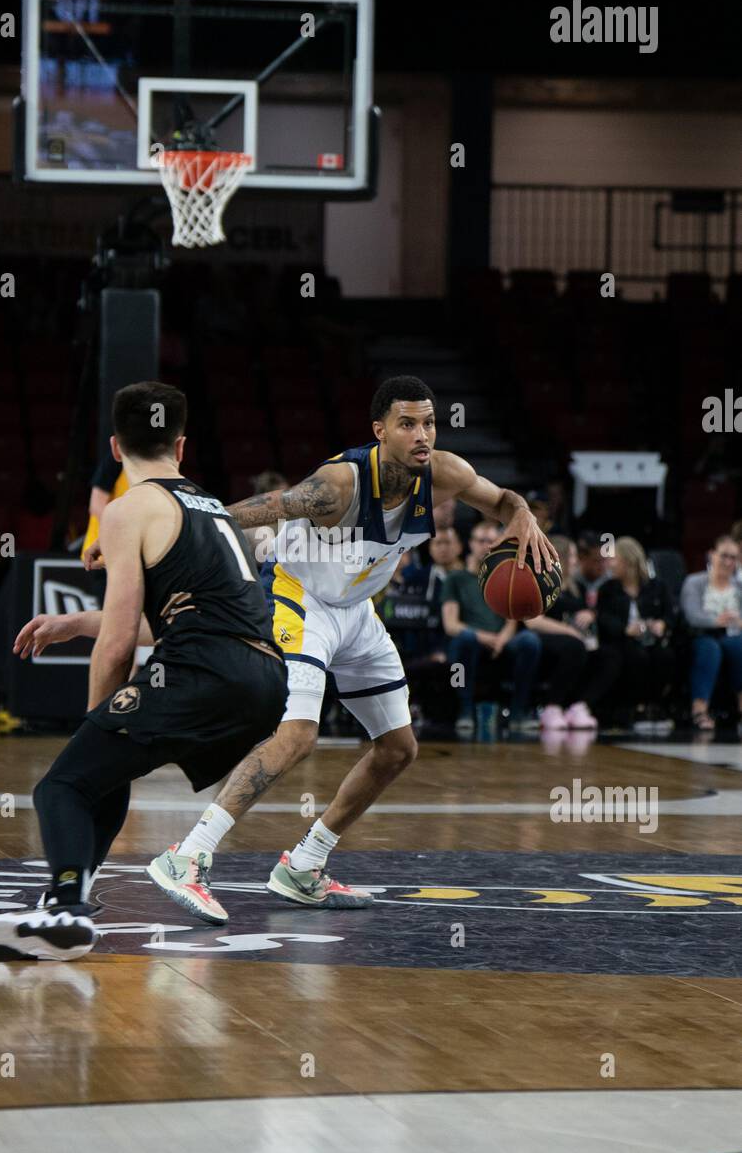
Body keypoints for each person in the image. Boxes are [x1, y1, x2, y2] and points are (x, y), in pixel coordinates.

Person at [80, 374, 554, 913]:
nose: (423, 435)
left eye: (429, 423)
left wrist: (522, 517)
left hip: (356, 610)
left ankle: (305, 864)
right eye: (407, 424)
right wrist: (135, 536)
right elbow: (244, 512)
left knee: (398, 748)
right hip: (300, 596)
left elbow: (504, 500)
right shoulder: (338, 485)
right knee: (299, 735)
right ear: (380, 431)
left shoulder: (446, 473)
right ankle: (186, 857)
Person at [0, 382, 288, 960]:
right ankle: (70, 896)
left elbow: (118, 647)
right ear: (181, 447)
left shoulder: (126, 509)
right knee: (105, 772)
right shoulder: (212, 506)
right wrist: (79, 622)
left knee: (62, 784)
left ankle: (64, 909)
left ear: (115, 449)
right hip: (263, 680)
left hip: (203, 671)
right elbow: (186, 617)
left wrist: (93, 719)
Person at [441, 521, 542, 733]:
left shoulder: (507, 577)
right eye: (481, 541)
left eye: (491, 541)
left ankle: (518, 713)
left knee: (530, 641)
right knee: (464, 640)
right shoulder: (456, 578)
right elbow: (451, 625)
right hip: (471, 639)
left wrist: (502, 639)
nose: (486, 546)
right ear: (470, 543)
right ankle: (465, 711)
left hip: (502, 641)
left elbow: (512, 618)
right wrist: (486, 637)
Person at [525, 534, 620, 730]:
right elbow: (533, 622)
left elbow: (583, 611)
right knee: (574, 647)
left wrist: (590, 614)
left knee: (609, 655)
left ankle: (580, 706)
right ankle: (552, 707)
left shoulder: (574, 585)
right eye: (572, 556)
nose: (576, 561)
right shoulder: (539, 582)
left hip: (574, 638)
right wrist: (568, 631)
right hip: (543, 637)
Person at [597, 536, 675, 730]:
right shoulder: (608, 589)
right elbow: (603, 618)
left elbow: (671, 615)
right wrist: (625, 629)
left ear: (628, 561)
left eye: (614, 558)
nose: (610, 563)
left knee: (664, 656)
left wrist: (662, 625)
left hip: (652, 639)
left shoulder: (657, 586)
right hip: (622, 639)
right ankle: (634, 708)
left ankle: (654, 706)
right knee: (635, 656)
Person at [680, 534, 742, 732]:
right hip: (702, 635)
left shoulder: (739, 587)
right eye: (724, 556)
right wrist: (717, 620)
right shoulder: (695, 582)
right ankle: (699, 710)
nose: (728, 562)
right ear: (712, 555)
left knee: (739, 646)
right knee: (710, 648)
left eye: (733, 557)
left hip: (733, 636)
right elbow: (691, 615)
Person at [576, 530, 610, 606]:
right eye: (597, 561)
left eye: (605, 560)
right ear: (582, 558)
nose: (603, 565)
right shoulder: (571, 582)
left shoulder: (612, 581)